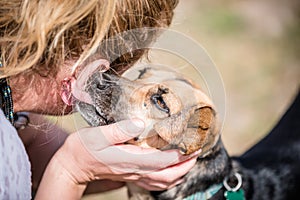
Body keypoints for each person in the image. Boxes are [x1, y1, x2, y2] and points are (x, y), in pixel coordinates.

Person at [0, 0, 199, 199]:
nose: (109, 79)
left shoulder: (12, 107)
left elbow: (32, 144)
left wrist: (130, 166)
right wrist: (72, 171)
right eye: (115, 59)